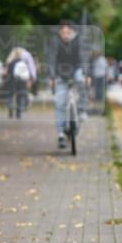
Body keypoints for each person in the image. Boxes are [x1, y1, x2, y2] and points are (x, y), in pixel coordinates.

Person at [47, 20, 91, 148]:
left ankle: (81, 110)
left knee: (81, 80)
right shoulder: (55, 42)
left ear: (73, 32)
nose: (65, 35)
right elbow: (51, 60)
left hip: (76, 70)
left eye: (68, 32)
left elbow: (84, 58)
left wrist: (87, 74)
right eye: (63, 32)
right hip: (60, 73)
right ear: (59, 33)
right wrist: (52, 77)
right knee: (60, 104)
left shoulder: (79, 41)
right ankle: (61, 134)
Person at [5, 47, 32, 119]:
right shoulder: (23, 62)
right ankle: (18, 114)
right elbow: (26, 73)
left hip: (11, 81)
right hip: (21, 82)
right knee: (19, 97)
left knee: (10, 96)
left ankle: (10, 112)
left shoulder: (10, 62)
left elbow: (7, 73)